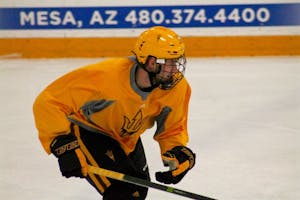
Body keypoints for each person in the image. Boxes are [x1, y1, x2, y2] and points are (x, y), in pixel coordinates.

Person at [33, 26, 196, 200]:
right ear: (151, 62)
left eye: (177, 61)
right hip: (90, 131)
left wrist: (176, 151)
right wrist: (62, 145)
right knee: (124, 193)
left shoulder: (177, 88)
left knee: (138, 192)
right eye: (170, 63)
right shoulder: (105, 77)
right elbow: (49, 101)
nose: (175, 69)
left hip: (126, 139)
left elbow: (171, 130)